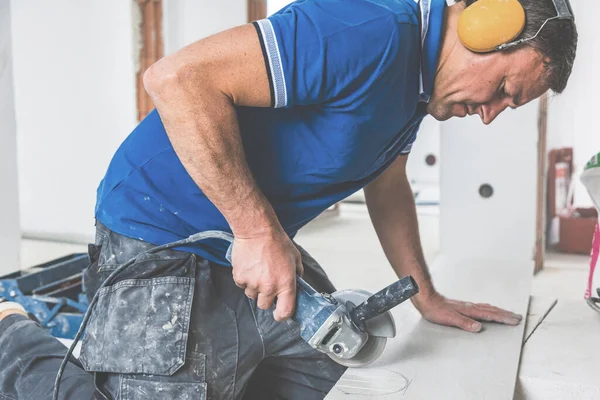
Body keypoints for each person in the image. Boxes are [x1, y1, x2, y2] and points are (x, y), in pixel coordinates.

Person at [0, 0, 577, 399]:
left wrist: (425, 295)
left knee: (334, 379)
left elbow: (388, 181)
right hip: (163, 235)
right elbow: (177, 79)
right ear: (483, 29)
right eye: (504, 90)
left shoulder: (420, 89)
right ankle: (13, 336)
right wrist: (256, 232)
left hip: (252, 243)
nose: (489, 114)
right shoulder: (368, 29)